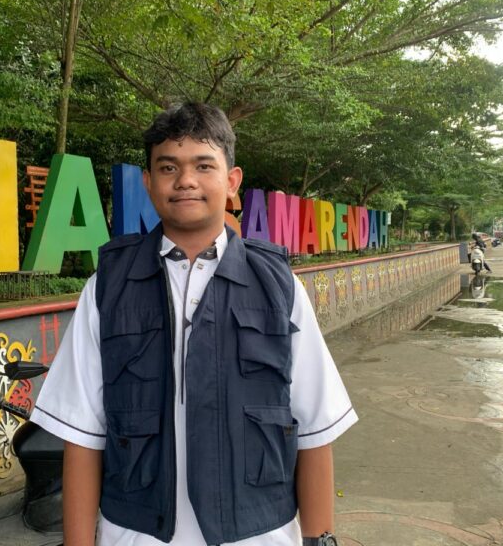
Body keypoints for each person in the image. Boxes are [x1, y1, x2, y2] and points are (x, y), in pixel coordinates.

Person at [31, 102, 357, 546]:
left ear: (232, 181)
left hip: (259, 535)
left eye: (204, 166)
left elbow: (314, 430)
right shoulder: (108, 288)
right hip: (135, 535)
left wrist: (319, 540)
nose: (185, 180)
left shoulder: (278, 287)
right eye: (168, 167)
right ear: (148, 182)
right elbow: (83, 435)